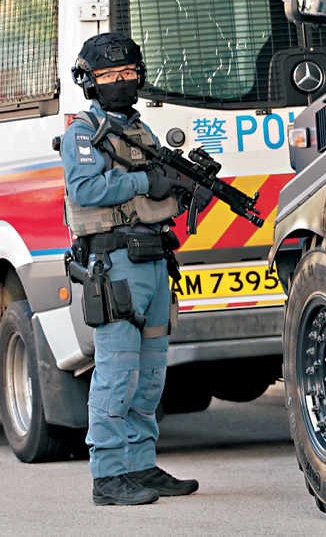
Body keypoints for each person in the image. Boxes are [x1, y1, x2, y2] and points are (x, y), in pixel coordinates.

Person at [61, 32, 211, 506]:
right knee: (117, 373)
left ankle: (141, 465)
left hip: (154, 259)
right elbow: (85, 188)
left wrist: (186, 191)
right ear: (90, 81)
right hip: (114, 262)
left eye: (128, 73)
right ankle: (107, 477)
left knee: (150, 377)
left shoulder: (142, 131)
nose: (121, 82)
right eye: (109, 76)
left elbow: (157, 195)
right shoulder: (83, 132)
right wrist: (148, 179)